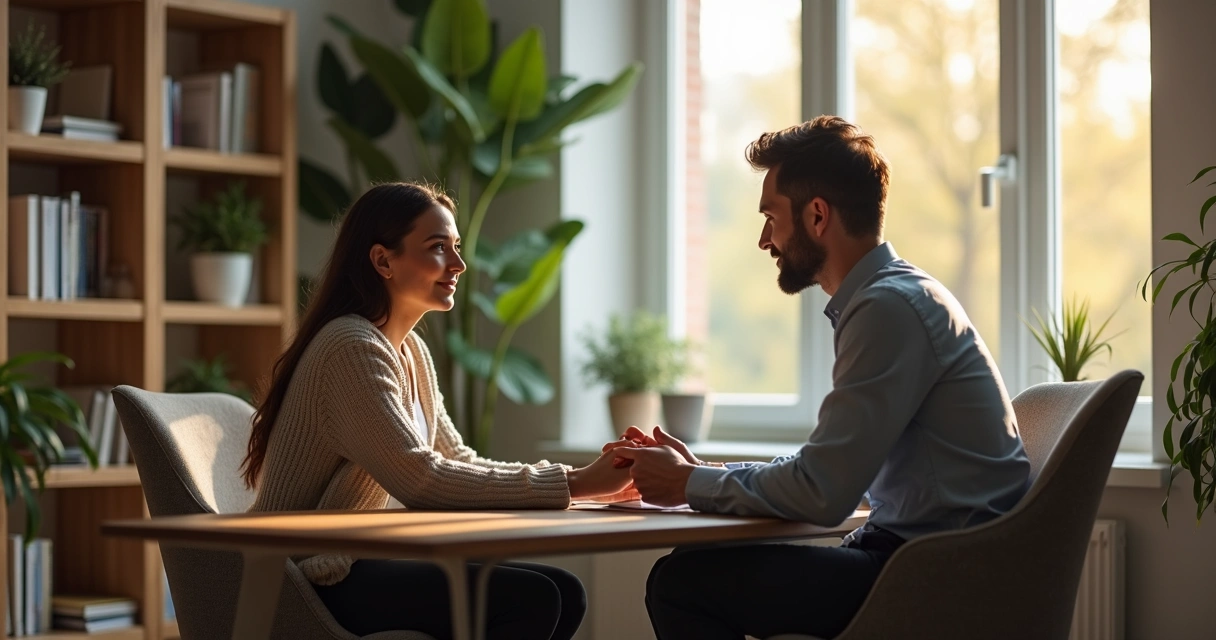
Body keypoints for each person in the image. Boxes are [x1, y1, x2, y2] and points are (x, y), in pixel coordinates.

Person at [608, 116, 1032, 640]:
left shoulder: (887, 309)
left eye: (770, 216)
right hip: (936, 561)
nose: (765, 239)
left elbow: (822, 492)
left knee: (682, 582)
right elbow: (828, 469)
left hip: (933, 577)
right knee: (696, 566)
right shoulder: (897, 297)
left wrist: (689, 483)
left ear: (816, 215)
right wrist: (704, 472)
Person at [243, 182, 633, 640]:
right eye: (437, 248)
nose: (459, 265)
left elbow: (458, 462)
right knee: (537, 597)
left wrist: (584, 482)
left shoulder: (410, 353)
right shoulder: (350, 348)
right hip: (306, 579)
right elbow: (422, 479)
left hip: (358, 564)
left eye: (457, 247)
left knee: (564, 591)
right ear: (383, 260)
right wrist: (578, 482)